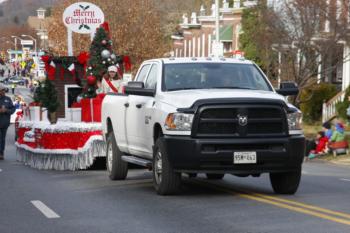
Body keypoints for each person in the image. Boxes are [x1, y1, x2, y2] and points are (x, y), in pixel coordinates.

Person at [0, 84, 15, 160]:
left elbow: (13, 109)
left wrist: (6, 110)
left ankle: (1, 153)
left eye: (4, 90)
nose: (3, 92)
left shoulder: (8, 99)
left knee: (2, 138)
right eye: (2, 90)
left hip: (5, 122)